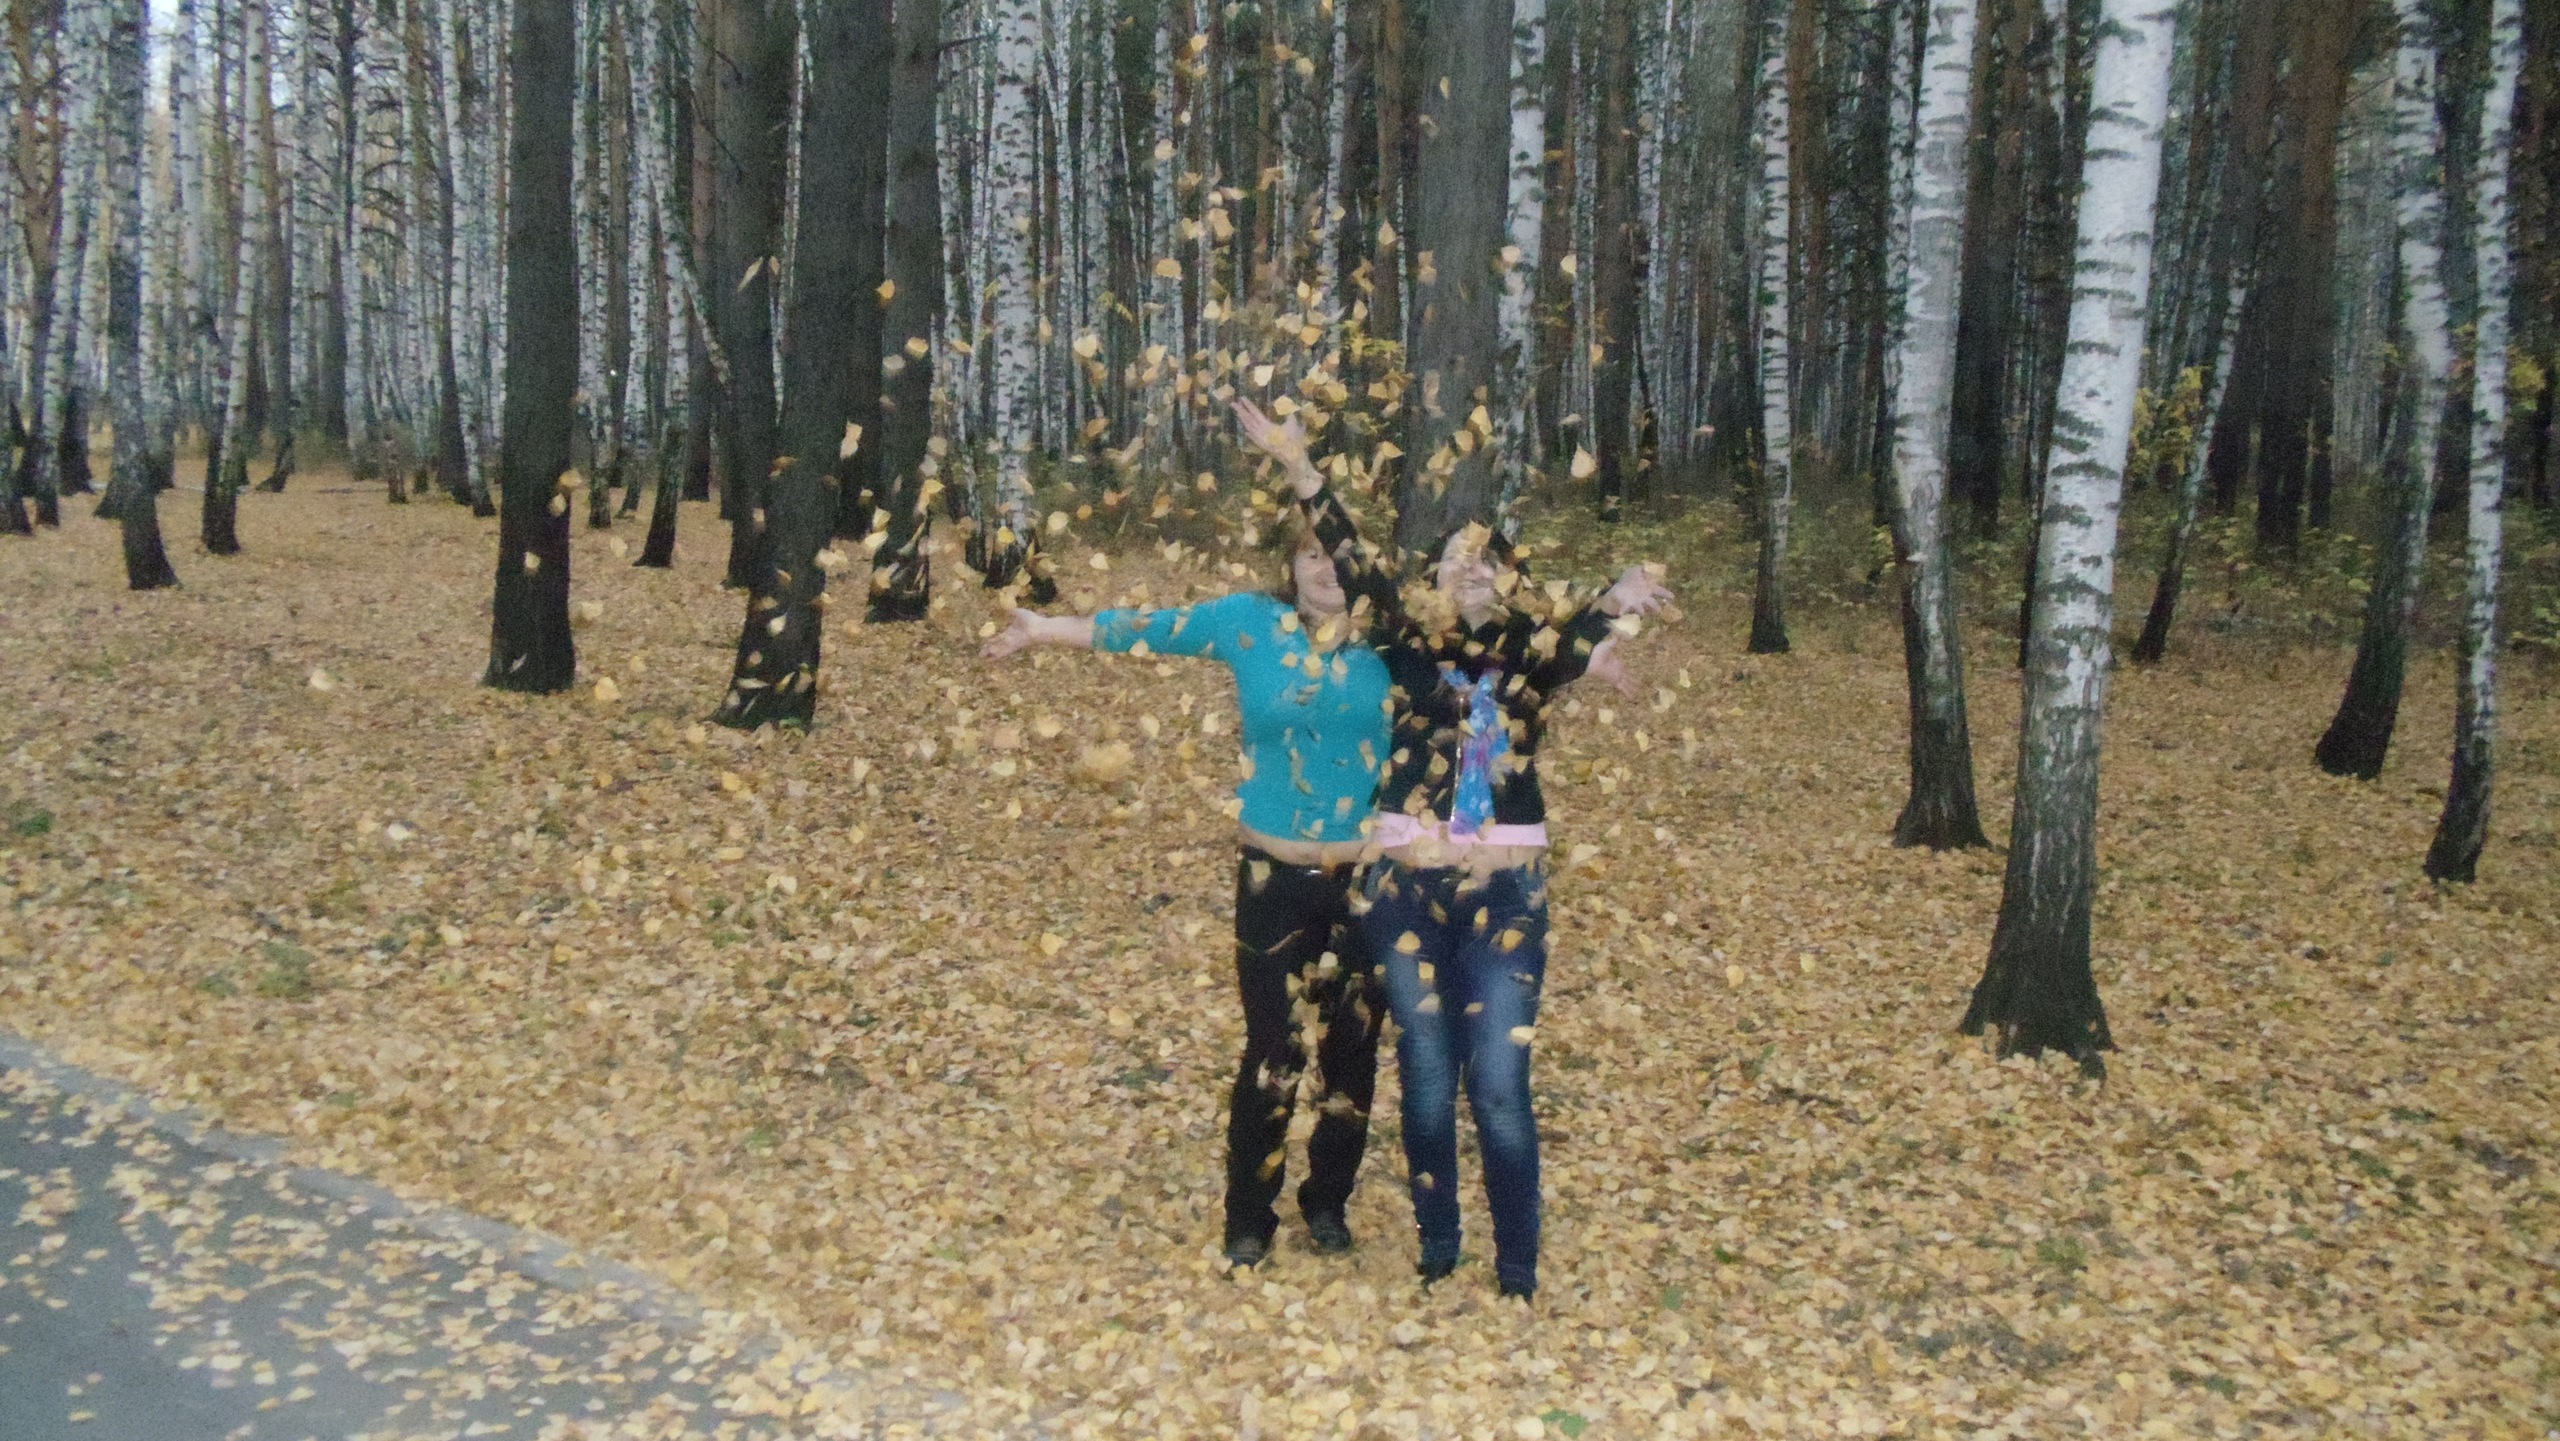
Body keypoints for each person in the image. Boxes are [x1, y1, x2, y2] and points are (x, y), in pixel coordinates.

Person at [1251, 412, 1671, 1300]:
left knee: (1501, 1083)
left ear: (1510, 579)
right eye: (1454, 558)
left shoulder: (1533, 654)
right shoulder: (1402, 645)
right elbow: (1355, 562)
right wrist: (1301, 469)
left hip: (1506, 898)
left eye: (1488, 560)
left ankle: (1517, 1266)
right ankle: (1439, 1247)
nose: (1469, 569)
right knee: (1429, 1079)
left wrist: (1619, 594)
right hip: (1405, 893)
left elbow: (1587, 629)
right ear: (1431, 577)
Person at [980, 409, 1389, 1270]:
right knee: (1274, 1051)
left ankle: (1327, 1199)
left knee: (1350, 1057)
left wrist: (1302, 464)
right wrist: (1045, 629)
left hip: (1368, 885)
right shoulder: (1249, 623)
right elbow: (1148, 628)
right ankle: (1249, 1213)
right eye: (1309, 554)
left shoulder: (1390, 637)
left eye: (1336, 553)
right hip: (1272, 879)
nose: (1325, 567)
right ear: (1288, 564)